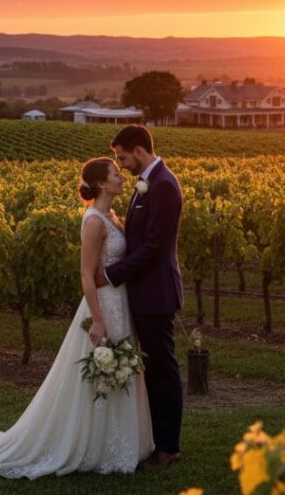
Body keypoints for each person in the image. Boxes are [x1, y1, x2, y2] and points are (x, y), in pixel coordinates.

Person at [0, 157, 154, 478]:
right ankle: (95, 445)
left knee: (120, 370)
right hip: (103, 306)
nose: (122, 178)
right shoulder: (93, 222)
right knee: (102, 371)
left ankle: (118, 443)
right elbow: (86, 275)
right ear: (102, 184)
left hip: (120, 303)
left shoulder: (112, 216)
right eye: (116, 174)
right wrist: (99, 320)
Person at [97, 124, 184, 469]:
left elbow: (152, 247)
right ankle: (157, 439)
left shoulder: (163, 186)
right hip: (144, 292)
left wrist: (110, 274)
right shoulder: (148, 184)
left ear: (139, 150)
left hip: (156, 293)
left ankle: (168, 446)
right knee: (152, 368)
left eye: (122, 157)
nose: (121, 164)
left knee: (163, 369)